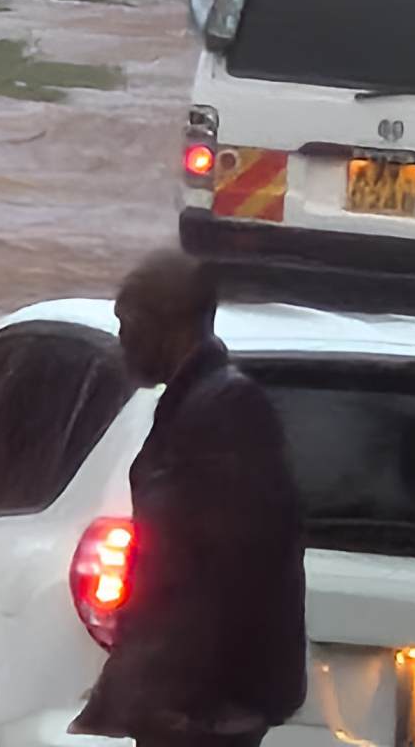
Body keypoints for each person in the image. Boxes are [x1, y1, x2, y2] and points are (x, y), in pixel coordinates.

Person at [71, 252, 307, 747]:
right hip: (183, 699)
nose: (121, 341)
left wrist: (182, 701)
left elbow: (222, 567)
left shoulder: (226, 411)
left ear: (169, 326)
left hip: (204, 707)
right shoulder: (195, 403)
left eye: (127, 324)